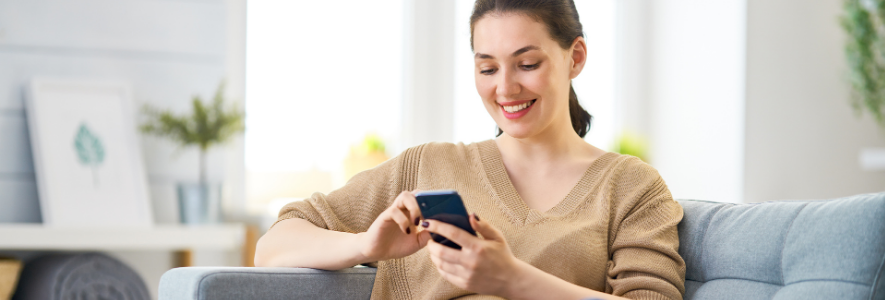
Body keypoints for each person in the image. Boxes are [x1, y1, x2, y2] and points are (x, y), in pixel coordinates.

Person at [254, 0, 686, 299]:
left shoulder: (632, 187)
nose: (506, 88)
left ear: (575, 57)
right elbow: (273, 247)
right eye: (488, 68)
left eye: (527, 64)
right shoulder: (427, 166)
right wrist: (367, 246)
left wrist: (512, 279)